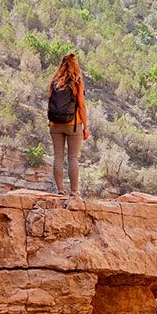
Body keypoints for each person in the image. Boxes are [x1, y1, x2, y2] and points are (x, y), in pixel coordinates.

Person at [46, 52, 88, 202]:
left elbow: (49, 101)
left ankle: (60, 190)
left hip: (55, 124)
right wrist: (85, 126)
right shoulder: (77, 82)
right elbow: (81, 106)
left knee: (58, 156)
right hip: (73, 125)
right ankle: (74, 192)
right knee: (72, 158)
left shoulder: (53, 82)